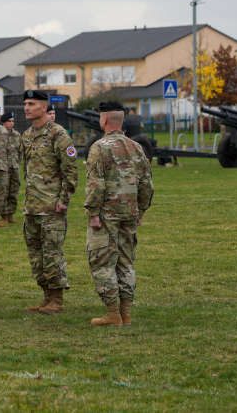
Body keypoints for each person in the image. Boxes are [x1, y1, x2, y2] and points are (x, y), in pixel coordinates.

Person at [84, 102, 154, 326]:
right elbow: (147, 184)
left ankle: (113, 313)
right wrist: (140, 210)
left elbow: (96, 183)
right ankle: (126, 313)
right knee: (126, 262)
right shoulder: (136, 147)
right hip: (129, 213)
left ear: (103, 120)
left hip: (106, 215)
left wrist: (93, 212)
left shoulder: (100, 147)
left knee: (102, 261)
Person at [21, 89, 78, 315]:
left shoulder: (58, 134)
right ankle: (45, 297)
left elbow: (71, 170)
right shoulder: (26, 135)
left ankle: (57, 299)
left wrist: (63, 200)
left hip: (52, 206)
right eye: (25, 103)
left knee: (52, 253)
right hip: (32, 205)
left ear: (44, 107)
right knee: (36, 255)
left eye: (32, 104)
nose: (26, 108)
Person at [1, 112, 21, 225]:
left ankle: (11, 214)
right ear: (4, 123)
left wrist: (18, 163)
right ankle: (4, 215)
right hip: (3, 168)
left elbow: (20, 151)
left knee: (14, 191)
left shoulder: (17, 135)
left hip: (15, 167)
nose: (11, 123)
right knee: (4, 192)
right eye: (9, 121)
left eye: (13, 121)